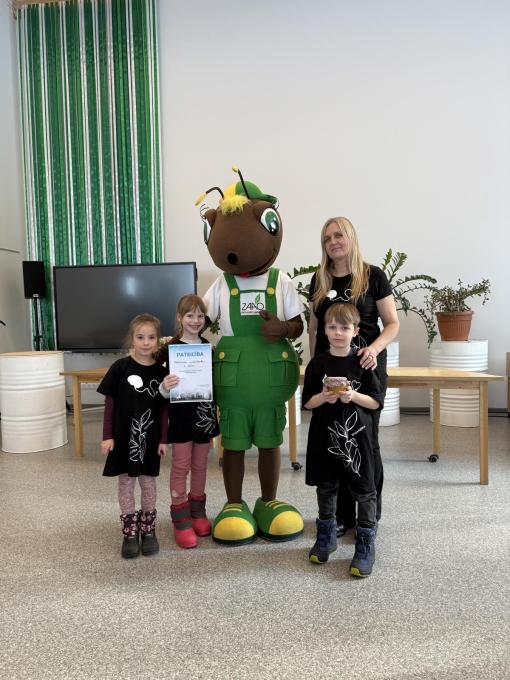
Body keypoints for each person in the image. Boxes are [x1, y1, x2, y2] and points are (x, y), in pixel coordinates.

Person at [308, 217, 399, 536]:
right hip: (329, 370)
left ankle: (368, 515)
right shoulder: (319, 279)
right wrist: (314, 366)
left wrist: (373, 348)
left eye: (338, 235)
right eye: (327, 238)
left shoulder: (373, 276)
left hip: (364, 368)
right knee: (334, 438)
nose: (333, 242)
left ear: (351, 238)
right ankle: (342, 515)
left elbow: (392, 324)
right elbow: (314, 328)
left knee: (365, 440)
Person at [303, 303, 384, 577]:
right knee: (326, 486)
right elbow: (308, 402)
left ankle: (365, 543)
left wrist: (353, 396)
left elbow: (375, 402)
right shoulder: (318, 364)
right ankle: (326, 535)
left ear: (356, 331)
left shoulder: (363, 362)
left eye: (344, 327)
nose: (338, 332)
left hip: (357, 441)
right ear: (325, 330)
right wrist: (323, 397)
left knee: (364, 489)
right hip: (324, 437)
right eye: (332, 327)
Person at [98, 313, 168, 559]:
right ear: (132, 339)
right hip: (123, 437)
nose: (146, 342)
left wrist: (163, 439)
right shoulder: (120, 368)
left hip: (150, 439)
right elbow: (110, 404)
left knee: (148, 483)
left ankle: (148, 530)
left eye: (151, 337)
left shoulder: (161, 373)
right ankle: (129, 532)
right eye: (140, 337)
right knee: (126, 482)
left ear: (158, 340)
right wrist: (108, 435)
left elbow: (164, 409)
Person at [158, 294, 219, 549]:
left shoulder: (209, 348)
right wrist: (165, 386)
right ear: (179, 318)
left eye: (200, 315)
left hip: (203, 416)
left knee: (201, 466)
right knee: (181, 467)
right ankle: (180, 518)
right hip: (181, 418)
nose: (195, 320)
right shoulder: (168, 350)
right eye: (190, 315)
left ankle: (197, 512)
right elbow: (159, 390)